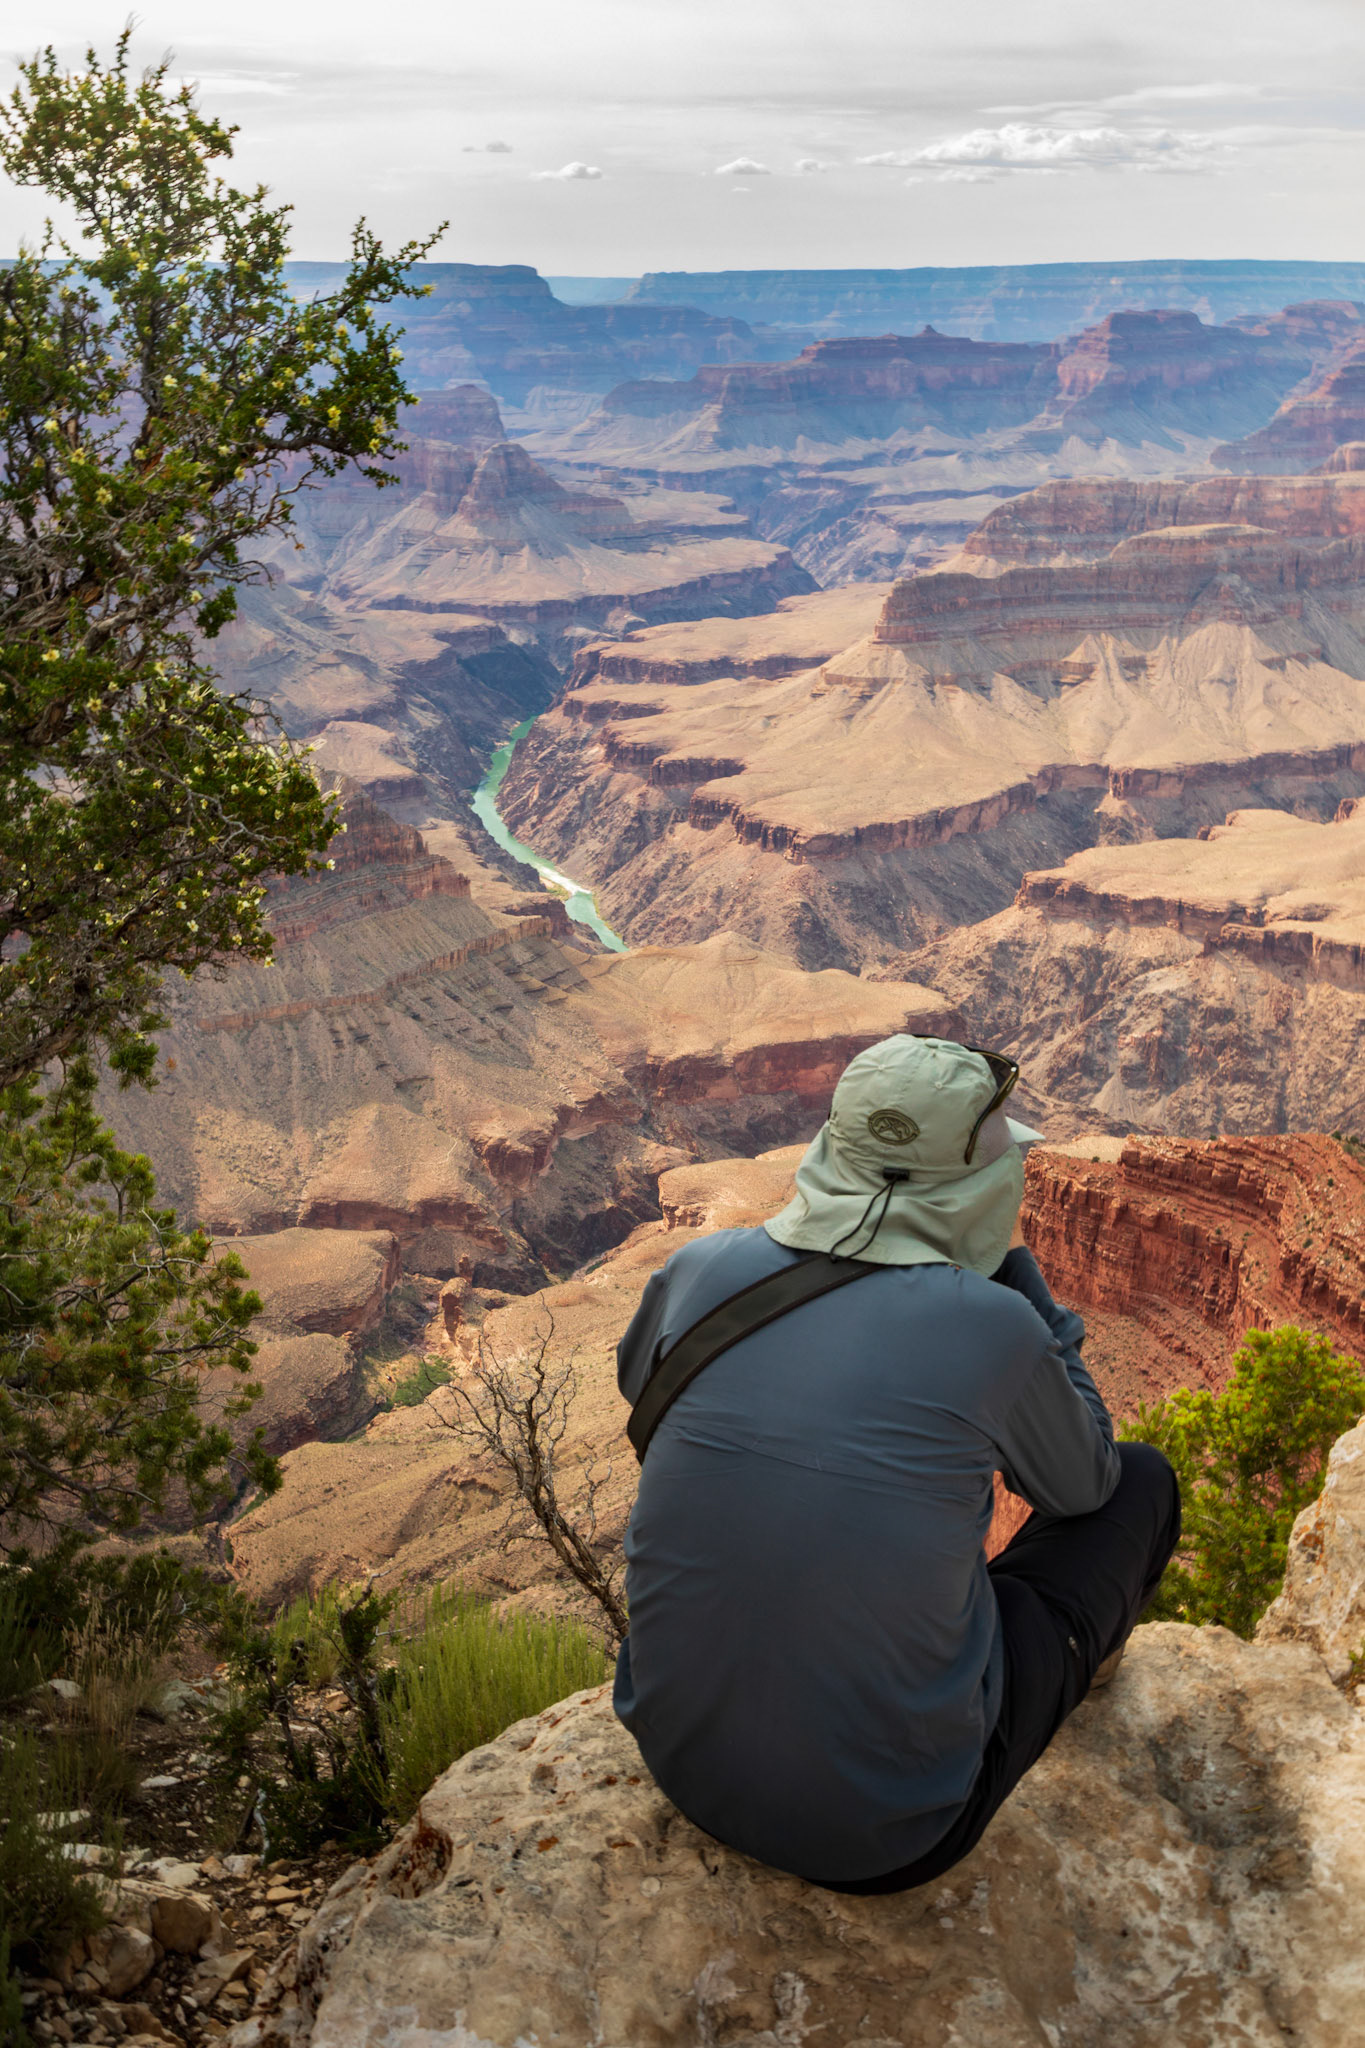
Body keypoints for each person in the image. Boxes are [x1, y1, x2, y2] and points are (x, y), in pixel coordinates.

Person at [613, 1033, 1181, 1892]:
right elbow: (1084, 1485)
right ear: (985, 1186)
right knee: (1142, 1481)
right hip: (891, 1834)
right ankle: (1078, 1675)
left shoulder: (697, 1268)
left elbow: (641, 1392)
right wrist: (1017, 1276)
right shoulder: (991, 1322)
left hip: (685, 1771)